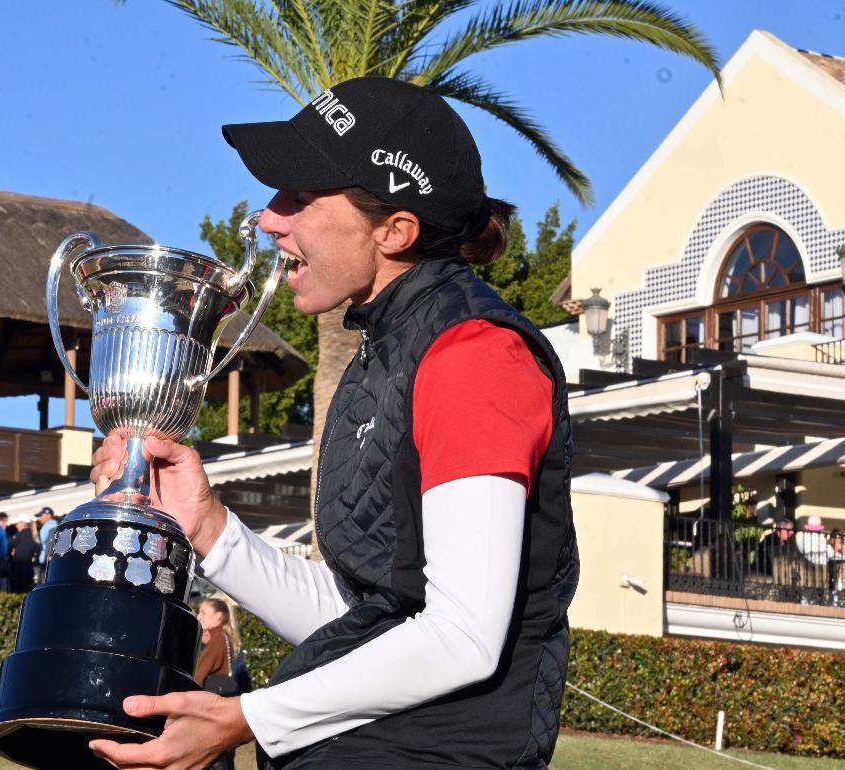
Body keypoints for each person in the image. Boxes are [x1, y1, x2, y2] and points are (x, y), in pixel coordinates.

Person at [89, 77, 577, 769]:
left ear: (396, 231)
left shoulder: (475, 354)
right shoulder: (386, 349)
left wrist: (243, 718)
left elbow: (463, 634)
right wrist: (209, 530)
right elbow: (360, 620)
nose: (266, 218)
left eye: (300, 196)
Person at [196, 598, 242, 770]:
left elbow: (199, 674)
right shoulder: (222, 637)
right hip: (225, 704)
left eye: (203, 613)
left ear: (218, 617)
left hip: (212, 707)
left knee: (215, 759)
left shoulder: (217, 640)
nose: (198, 616)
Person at [7, 514, 38, 594]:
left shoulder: (19, 536)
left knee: (18, 592)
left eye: (18, 523)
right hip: (28, 568)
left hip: (18, 569)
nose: (16, 526)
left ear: (23, 523)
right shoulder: (33, 535)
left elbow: (8, 544)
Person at [35, 507, 57, 584]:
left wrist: (48, 556)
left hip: (47, 560)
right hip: (45, 559)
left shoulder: (51, 525)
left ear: (48, 515)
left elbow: (50, 542)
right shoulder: (48, 525)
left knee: (44, 582)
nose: (39, 518)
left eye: (41, 515)